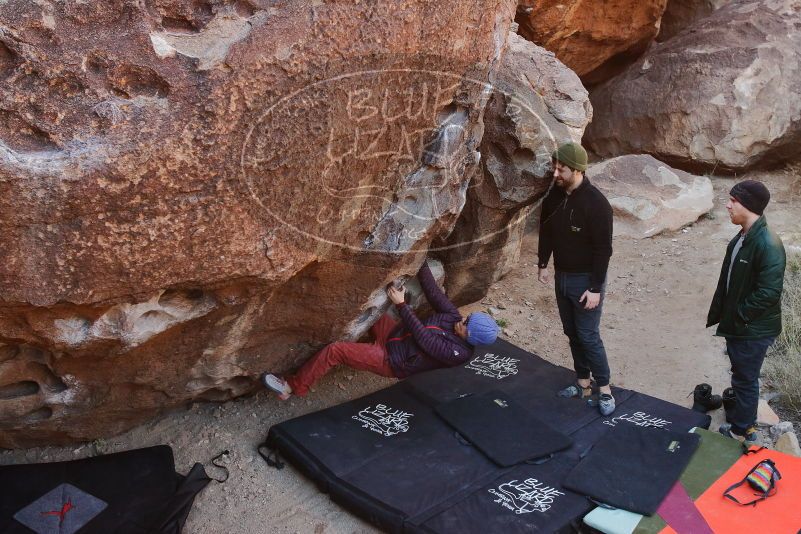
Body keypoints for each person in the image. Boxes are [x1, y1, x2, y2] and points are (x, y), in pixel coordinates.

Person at [261, 261, 499, 400]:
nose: (464, 320)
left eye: (467, 325)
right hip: (394, 335)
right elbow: (433, 292)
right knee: (367, 309)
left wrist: (402, 305)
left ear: (470, 337)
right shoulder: (454, 317)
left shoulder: (459, 354)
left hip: (392, 360)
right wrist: (420, 259)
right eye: (469, 318)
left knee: (336, 351)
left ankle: (292, 387)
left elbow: (425, 340)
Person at [537, 142, 615, 415]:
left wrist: (595, 289)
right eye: (554, 167)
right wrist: (543, 263)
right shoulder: (554, 197)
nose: (555, 173)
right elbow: (546, 231)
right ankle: (582, 382)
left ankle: (604, 389)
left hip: (586, 281)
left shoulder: (597, 204)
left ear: (578, 170)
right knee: (572, 333)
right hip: (563, 277)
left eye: (562, 169)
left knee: (588, 335)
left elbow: (604, 249)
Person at [707, 180, 785, 446]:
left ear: (748, 205)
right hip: (744, 325)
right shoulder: (743, 236)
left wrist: (739, 316)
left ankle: (741, 429)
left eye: (733, 200)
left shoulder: (767, 243)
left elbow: (769, 293)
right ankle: (743, 419)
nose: (727, 205)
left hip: (753, 328)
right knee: (741, 375)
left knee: (745, 379)